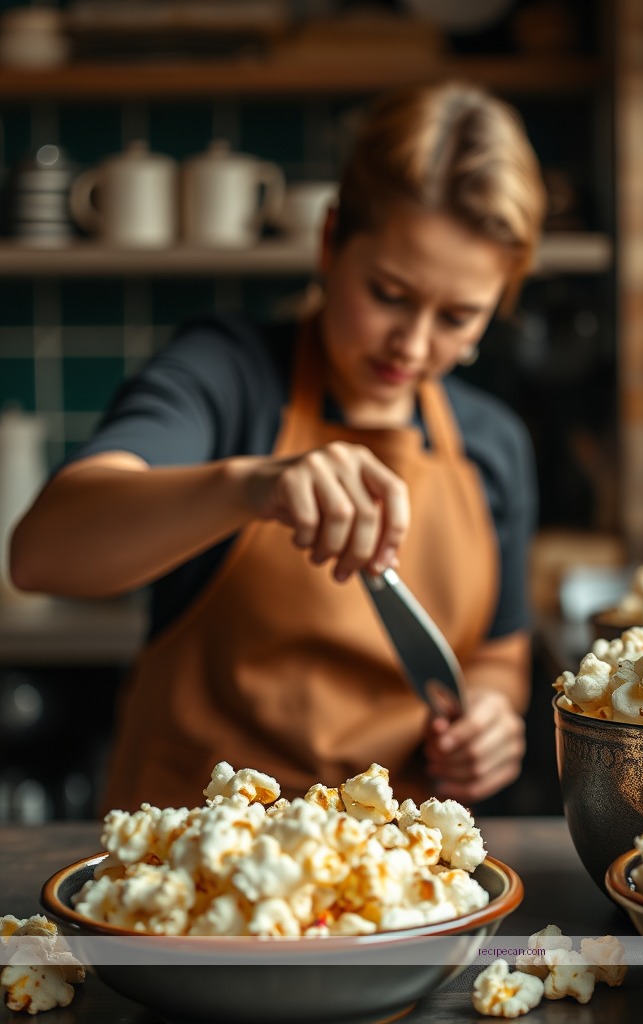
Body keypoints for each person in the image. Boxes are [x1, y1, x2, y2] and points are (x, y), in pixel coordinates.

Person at [10, 80, 546, 814]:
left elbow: (498, 653)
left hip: (393, 866)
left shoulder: (493, 443)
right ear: (330, 244)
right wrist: (249, 487)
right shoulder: (228, 378)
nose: (414, 344)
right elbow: (43, 554)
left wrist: (489, 713)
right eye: (389, 294)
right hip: (195, 859)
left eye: (458, 317)